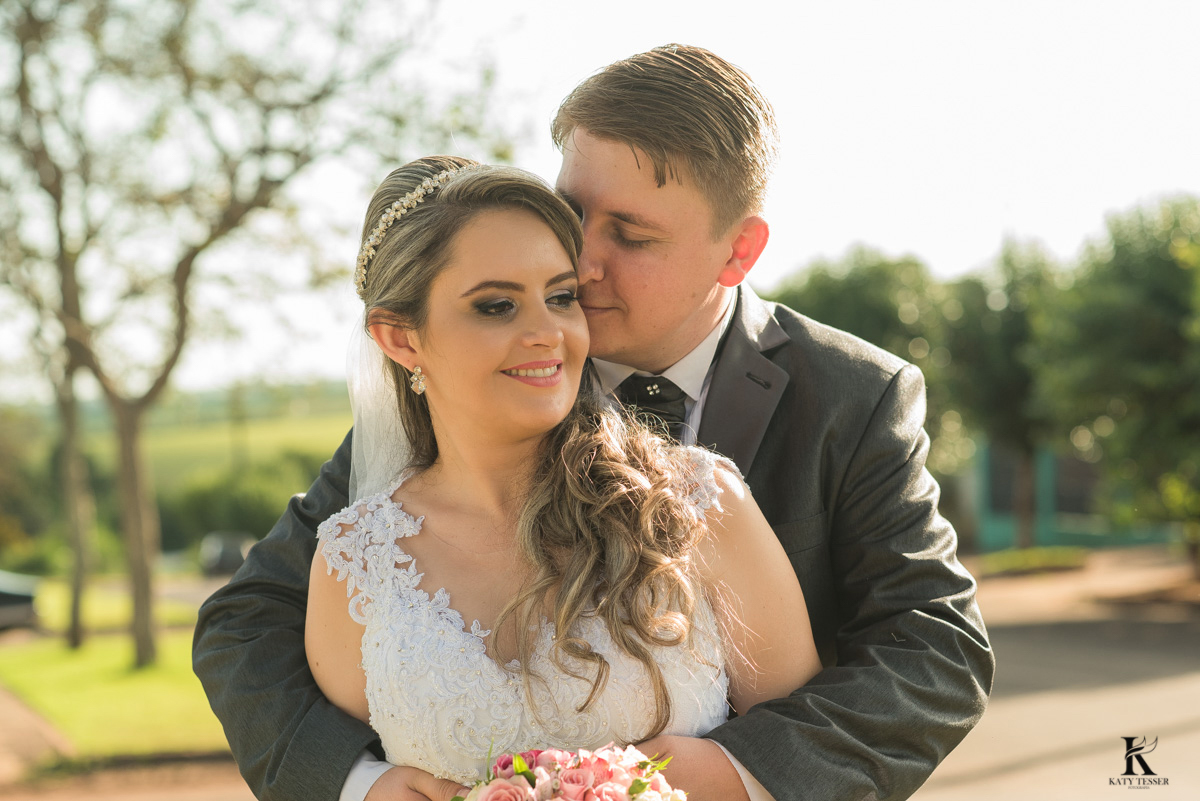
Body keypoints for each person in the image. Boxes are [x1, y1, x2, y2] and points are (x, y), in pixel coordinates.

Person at [194, 44, 994, 801]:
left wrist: (734, 770)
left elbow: (935, 649)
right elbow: (247, 621)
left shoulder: (853, 396)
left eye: (634, 236)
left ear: (738, 253)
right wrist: (355, 783)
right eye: (576, 212)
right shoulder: (467, 392)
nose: (583, 262)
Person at [302, 155, 820, 800]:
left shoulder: (695, 503)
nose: (547, 332)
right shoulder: (357, 560)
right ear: (401, 338)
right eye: (496, 306)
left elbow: (806, 754)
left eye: (561, 297)